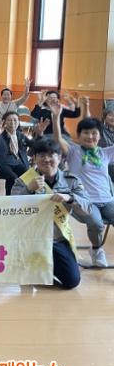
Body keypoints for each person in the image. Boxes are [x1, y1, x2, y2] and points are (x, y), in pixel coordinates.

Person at [11, 138, 88, 289]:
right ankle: (38, 267)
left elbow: (87, 210)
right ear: (34, 158)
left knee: (72, 281)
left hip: (57, 239)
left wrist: (70, 198)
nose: (46, 159)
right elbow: (11, 210)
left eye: (51, 155)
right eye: (41, 155)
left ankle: (44, 268)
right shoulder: (23, 181)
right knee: (24, 275)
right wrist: (28, 189)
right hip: (30, 239)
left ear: (60, 158)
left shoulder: (71, 181)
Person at [51, 103, 114, 267]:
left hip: (107, 200)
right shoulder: (73, 151)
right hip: (84, 201)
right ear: (79, 135)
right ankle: (97, 249)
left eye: (94, 133)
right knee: (96, 223)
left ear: (99, 135)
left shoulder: (105, 153)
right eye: (86, 133)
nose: (90, 136)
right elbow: (58, 139)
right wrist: (56, 117)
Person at [0, 111, 46, 195]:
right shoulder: (0, 134)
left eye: (15, 120)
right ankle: (10, 197)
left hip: (17, 162)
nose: (12, 122)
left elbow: (33, 144)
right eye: (9, 120)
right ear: (4, 122)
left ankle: (26, 195)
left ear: (18, 122)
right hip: (3, 163)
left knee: (27, 174)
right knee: (13, 178)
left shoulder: (20, 135)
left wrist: (40, 135)